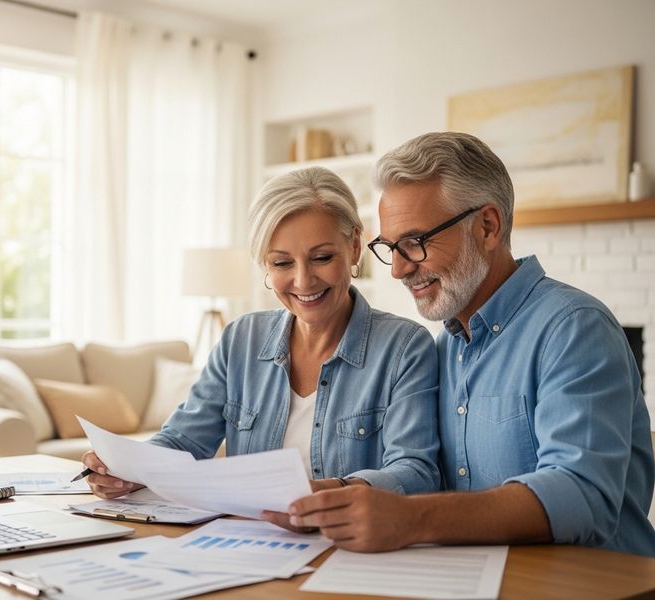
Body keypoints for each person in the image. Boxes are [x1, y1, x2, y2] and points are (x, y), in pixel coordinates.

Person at [280, 132, 655, 557]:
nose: (399, 269)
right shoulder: (444, 348)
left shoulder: (574, 329)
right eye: (390, 247)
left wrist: (412, 518)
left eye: (415, 243)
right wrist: (344, 492)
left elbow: (582, 495)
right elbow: (428, 472)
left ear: (488, 227)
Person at [82, 166, 440, 500]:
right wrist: (128, 469)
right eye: (282, 263)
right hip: (250, 540)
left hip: (349, 549)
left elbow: (416, 472)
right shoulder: (241, 339)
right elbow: (183, 439)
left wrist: (328, 493)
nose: (303, 281)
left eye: (322, 258)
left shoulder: (404, 348)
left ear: (354, 246)